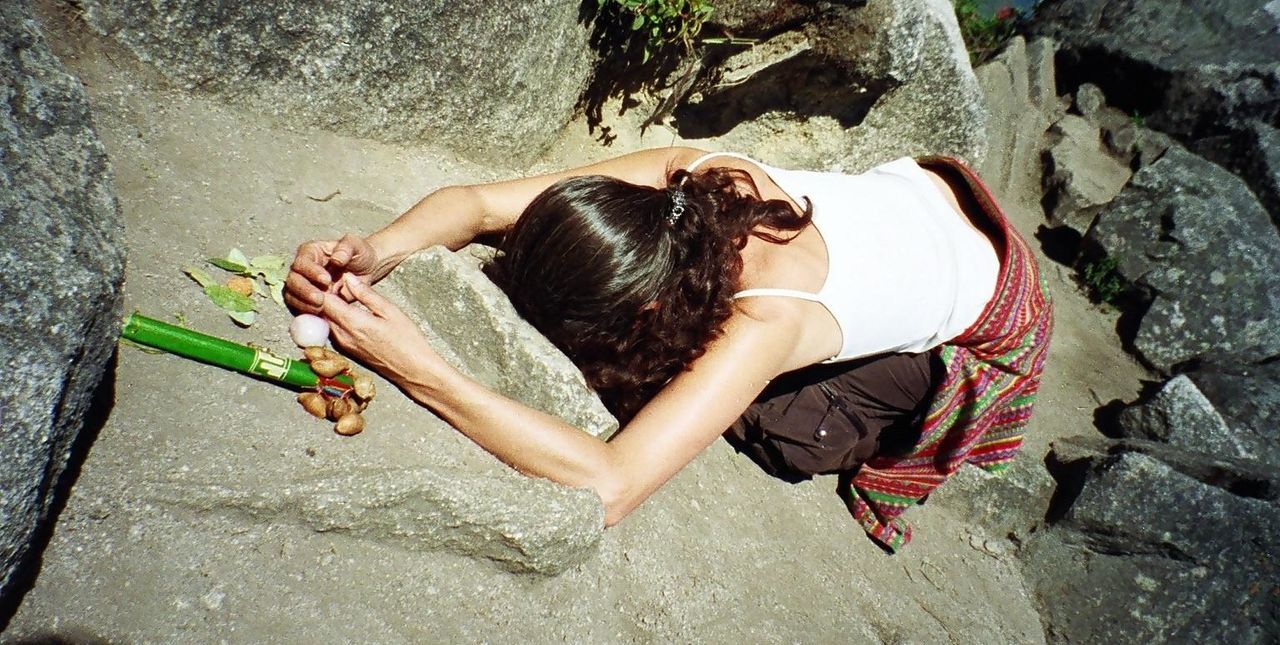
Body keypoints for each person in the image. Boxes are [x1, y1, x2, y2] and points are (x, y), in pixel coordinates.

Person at [285, 147, 1052, 550]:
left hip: (997, 301)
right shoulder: (677, 176)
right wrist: (376, 248)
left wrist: (420, 368)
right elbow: (483, 205)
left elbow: (612, 482)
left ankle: (890, 398)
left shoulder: (772, 318)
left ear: (650, 307)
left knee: (786, 428)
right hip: (929, 195)